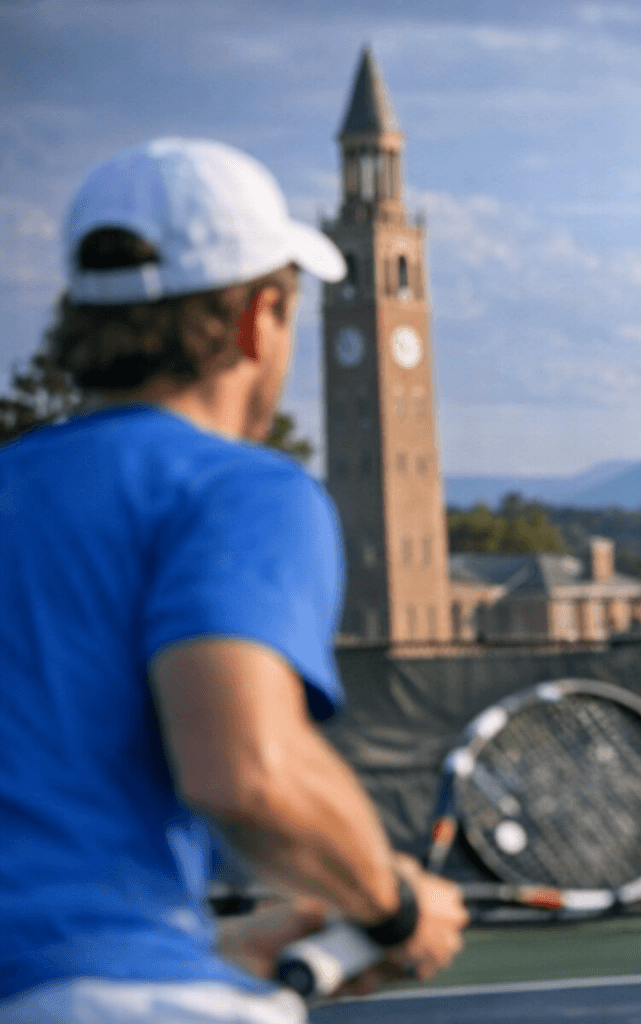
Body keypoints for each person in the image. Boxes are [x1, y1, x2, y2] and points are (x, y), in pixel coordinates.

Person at [0, 138, 467, 1023]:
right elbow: (248, 771)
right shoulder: (240, 490)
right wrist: (393, 903)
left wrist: (220, 953)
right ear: (260, 318)